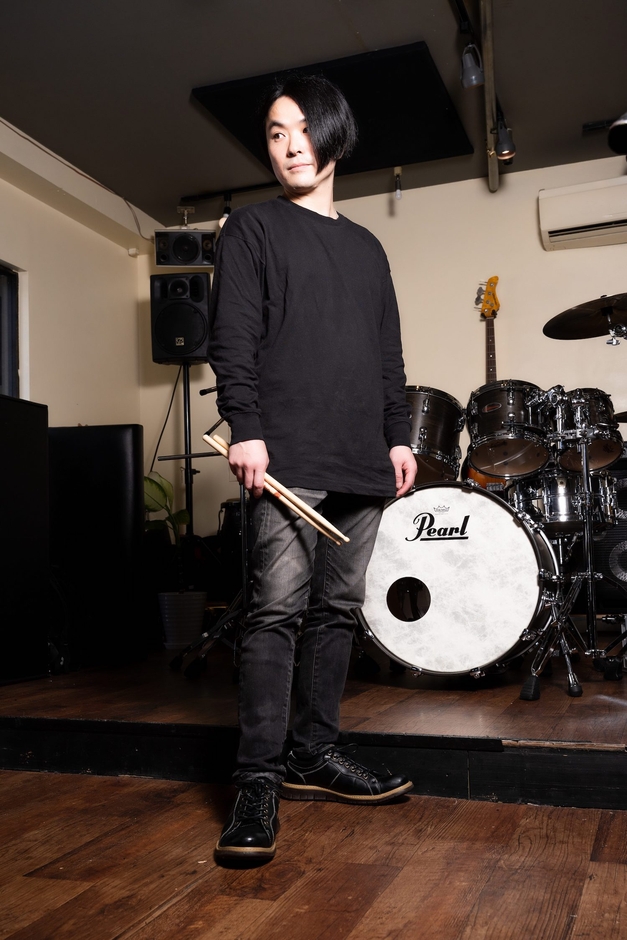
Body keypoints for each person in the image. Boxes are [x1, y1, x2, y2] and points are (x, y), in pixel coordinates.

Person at [208, 73, 417, 863]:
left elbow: (386, 354)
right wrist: (247, 428)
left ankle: (314, 753)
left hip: (362, 455)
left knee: (336, 614)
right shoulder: (251, 229)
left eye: (302, 128)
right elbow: (231, 337)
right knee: (274, 613)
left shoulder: (367, 247)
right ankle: (256, 779)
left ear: (334, 135)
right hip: (285, 453)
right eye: (274, 132)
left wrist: (397, 437)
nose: (289, 145)